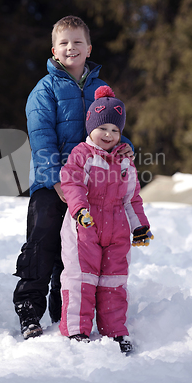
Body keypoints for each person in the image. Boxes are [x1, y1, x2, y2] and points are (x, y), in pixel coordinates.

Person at [13, 15, 134, 340]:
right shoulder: (45, 89)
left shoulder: (100, 89)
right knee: (44, 242)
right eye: (64, 43)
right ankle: (29, 309)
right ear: (54, 50)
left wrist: (126, 148)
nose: (71, 47)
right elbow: (41, 137)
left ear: (89, 47)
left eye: (77, 42)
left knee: (79, 248)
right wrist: (54, 180)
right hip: (51, 183)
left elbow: (113, 131)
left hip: (92, 186)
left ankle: (62, 308)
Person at [59, 85, 154, 354]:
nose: (109, 135)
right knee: (82, 279)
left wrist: (139, 226)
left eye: (115, 130)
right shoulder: (82, 154)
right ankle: (77, 330)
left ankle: (115, 332)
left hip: (117, 232)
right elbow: (72, 182)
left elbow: (132, 198)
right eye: (103, 128)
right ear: (91, 126)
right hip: (85, 227)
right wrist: (79, 210)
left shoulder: (125, 161)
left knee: (113, 282)